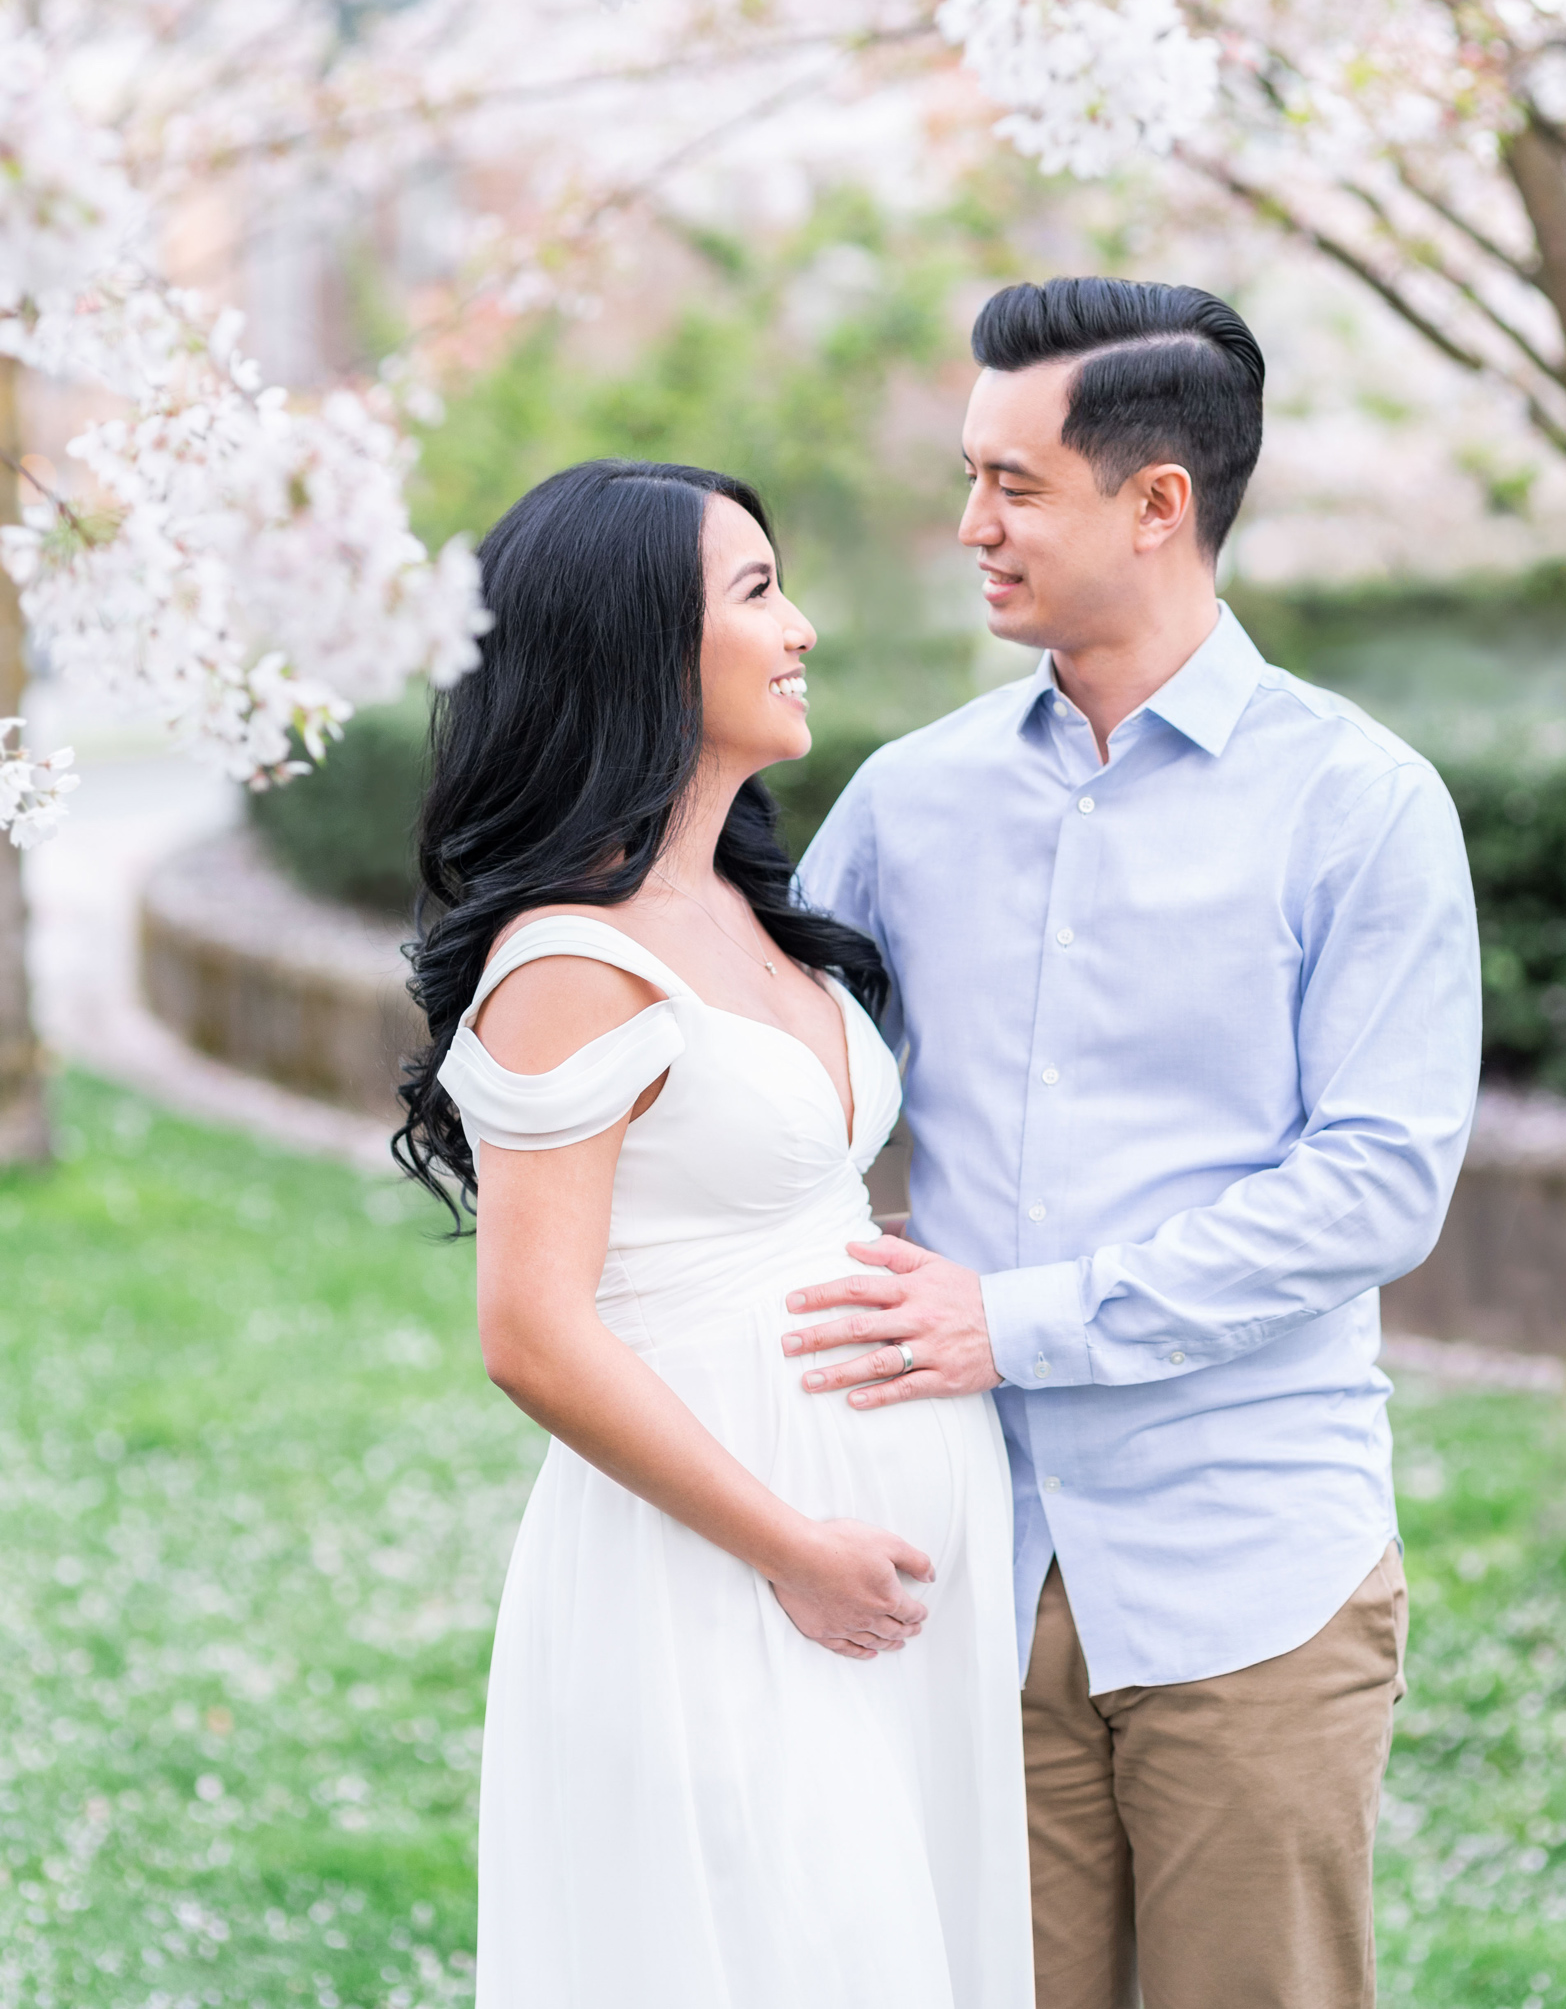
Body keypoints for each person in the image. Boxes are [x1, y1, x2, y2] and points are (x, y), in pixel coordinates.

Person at [792, 277, 1482, 2009]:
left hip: (1250, 1570)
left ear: (1157, 501)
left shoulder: (1362, 802)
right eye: (972, 477)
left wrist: (1012, 1321)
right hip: (963, 1559)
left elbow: (1377, 1184)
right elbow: (781, 1083)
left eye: (1015, 484)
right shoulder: (909, 800)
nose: (972, 526)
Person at [393, 459, 1033, 2009]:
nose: (800, 627)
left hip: (877, 1576)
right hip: (717, 1574)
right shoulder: (566, 957)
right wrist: (794, 1548)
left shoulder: (753, 904)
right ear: (635, 648)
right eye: (756, 593)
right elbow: (530, 1330)